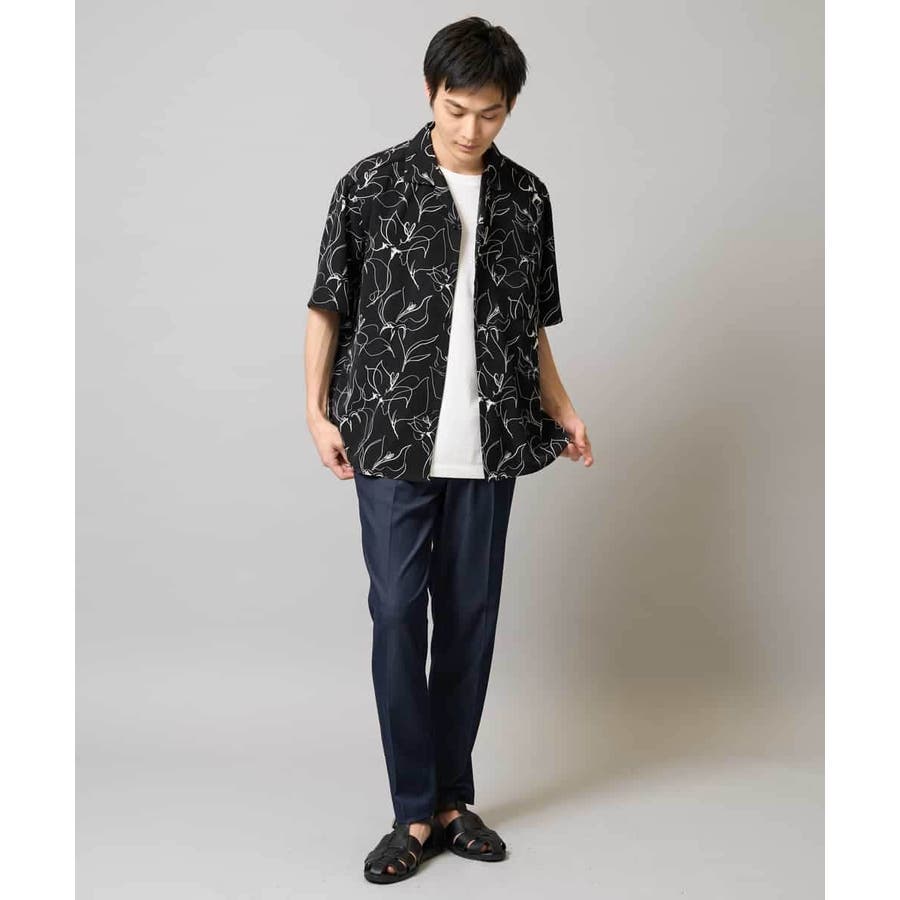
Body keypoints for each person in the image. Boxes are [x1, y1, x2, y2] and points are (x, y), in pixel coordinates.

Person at [304, 16, 593, 885]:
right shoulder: (370, 185)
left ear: (511, 108)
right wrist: (315, 411)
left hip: (492, 436)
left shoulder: (527, 198)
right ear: (429, 93)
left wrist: (562, 407)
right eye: (456, 109)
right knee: (398, 613)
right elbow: (328, 303)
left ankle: (454, 801)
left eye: (490, 113)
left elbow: (532, 324)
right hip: (390, 434)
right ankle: (411, 810)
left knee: (469, 618)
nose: (471, 129)